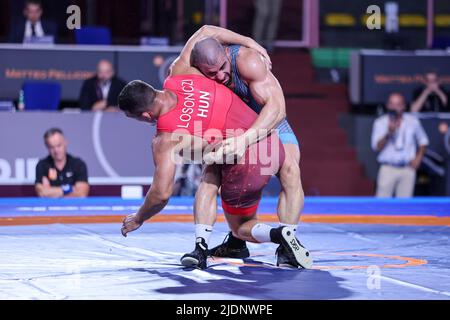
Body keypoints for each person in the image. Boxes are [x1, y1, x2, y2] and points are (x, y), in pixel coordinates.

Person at [118, 56, 312, 270]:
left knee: (236, 219)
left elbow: (161, 194)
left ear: (145, 115)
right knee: (289, 171)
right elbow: (206, 30)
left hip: (247, 159)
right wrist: (249, 42)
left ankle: (276, 236)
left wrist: (138, 218)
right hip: (267, 127)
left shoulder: (164, 139)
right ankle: (282, 234)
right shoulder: (182, 72)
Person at [176, 26, 304, 265]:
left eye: (223, 68)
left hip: (269, 120)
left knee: (291, 170)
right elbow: (204, 30)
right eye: (211, 74)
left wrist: (249, 42)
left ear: (226, 54)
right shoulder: (186, 68)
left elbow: (277, 109)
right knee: (212, 172)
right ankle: (210, 245)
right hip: (229, 124)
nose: (221, 77)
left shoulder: (247, 61)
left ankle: (288, 243)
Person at [371, 93, 429, 198]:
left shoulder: (413, 121)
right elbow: (377, 147)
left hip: (408, 168)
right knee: (381, 205)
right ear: (387, 106)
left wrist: (418, 158)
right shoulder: (380, 122)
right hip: (388, 168)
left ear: (404, 106)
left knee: (405, 207)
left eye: (398, 104)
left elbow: (423, 141)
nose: (394, 107)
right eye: (392, 104)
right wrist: (389, 133)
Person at [35, 128, 89, 198]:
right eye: (52, 147)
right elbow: (42, 193)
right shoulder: (42, 165)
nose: (56, 150)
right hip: (51, 207)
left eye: (59, 145)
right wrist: (70, 189)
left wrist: (51, 192)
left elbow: (82, 193)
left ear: (65, 143)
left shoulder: (78, 164)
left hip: (74, 207)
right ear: (47, 147)